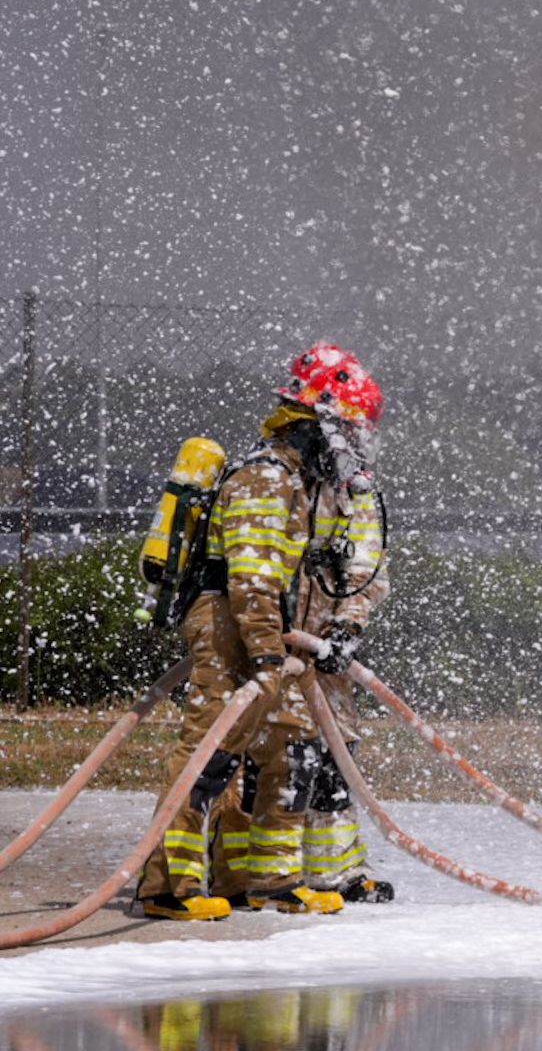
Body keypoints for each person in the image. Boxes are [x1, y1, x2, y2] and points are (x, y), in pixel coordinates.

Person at [133, 345, 383, 920]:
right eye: (348, 431)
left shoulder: (298, 479)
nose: (354, 448)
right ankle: (167, 885)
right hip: (229, 622)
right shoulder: (265, 478)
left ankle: (269, 879)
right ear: (317, 424)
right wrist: (269, 657)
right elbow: (250, 580)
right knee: (210, 753)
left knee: (290, 750)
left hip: (268, 628)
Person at [297, 413, 394, 904]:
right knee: (282, 758)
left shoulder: (356, 494)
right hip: (278, 643)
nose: (357, 445)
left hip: (321, 647)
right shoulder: (278, 480)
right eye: (348, 432)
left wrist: (346, 627)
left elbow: (366, 570)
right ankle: (269, 873)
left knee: (335, 755)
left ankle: (334, 871)